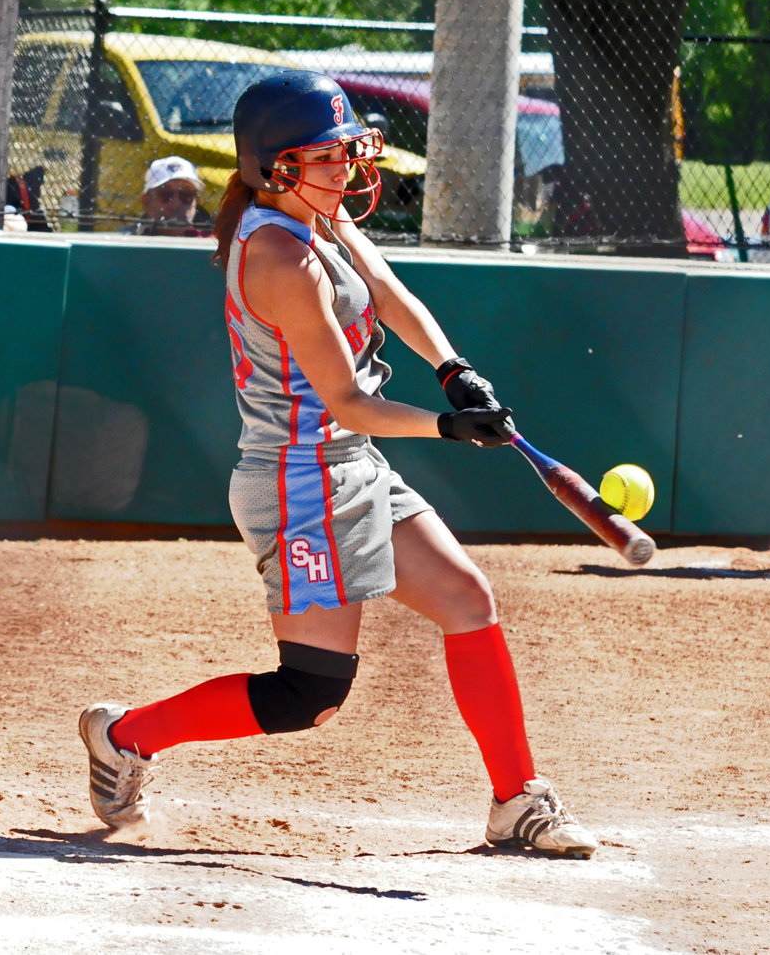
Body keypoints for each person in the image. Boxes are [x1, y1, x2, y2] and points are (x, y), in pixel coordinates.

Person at [79, 71, 598, 858]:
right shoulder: (278, 261)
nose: (347, 171)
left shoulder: (320, 218)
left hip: (349, 463)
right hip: (296, 485)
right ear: (276, 167)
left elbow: (388, 292)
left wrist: (454, 367)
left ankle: (516, 800)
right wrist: (449, 428)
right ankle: (124, 737)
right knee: (309, 695)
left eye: (348, 151)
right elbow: (351, 402)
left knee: (467, 598)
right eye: (327, 157)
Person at [128, 155, 210, 236]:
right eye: (167, 195)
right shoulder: (127, 244)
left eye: (185, 195)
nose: (176, 204)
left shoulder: (212, 244)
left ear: (196, 200)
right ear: (146, 201)